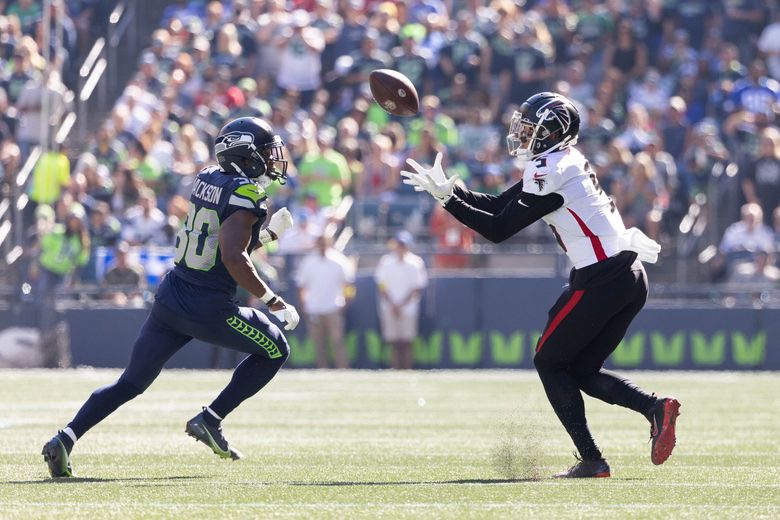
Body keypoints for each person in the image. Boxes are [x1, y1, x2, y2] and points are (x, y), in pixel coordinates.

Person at [401, 92, 679, 478]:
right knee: (578, 369)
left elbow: (498, 229)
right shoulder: (562, 161)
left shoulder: (550, 169)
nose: (523, 133)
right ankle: (655, 408)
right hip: (625, 275)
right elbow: (500, 204)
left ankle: (592, 460)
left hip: (602, 277)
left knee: (548, 361)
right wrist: (452, 189)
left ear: (553, 133)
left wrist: (448, 201)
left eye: (531, 129)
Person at [42, 117, 301, 478]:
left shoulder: (208, 177)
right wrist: (273, 299)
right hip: (210, 306)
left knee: (130, 382)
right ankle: (211, 419)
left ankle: (64, 439)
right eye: (265, 152)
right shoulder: (249, 195)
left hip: (172, 296)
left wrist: (269, 235)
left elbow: (219, 246)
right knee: (276, 349)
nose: (273, 160)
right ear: (245, 155)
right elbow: (232, 256)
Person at [295, 234, 355, 369]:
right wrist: (304, 304)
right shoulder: (308, 262)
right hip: (314, 308)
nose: (322, 245)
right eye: (319, 243)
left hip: (334, 307)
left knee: (337, 341)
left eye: (324, 242)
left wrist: (346, 301)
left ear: (329, 243)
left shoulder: (339, 260)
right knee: (318, 343)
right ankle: (322, 370)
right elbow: (301, 286)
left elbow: (348, 284)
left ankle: (343, 369)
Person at [374, 231, 428, 370]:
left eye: (403, 245)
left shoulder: (415, 263)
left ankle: (407, 370)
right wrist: (393, 304)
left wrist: (402, 304)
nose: (400, 248)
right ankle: (395, 369)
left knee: (407, 342)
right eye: (399, 244)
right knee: (393, 342)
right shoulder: (386, 262)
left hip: (408, 308)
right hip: (389, 307)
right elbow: (381, 285)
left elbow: (417, 287)